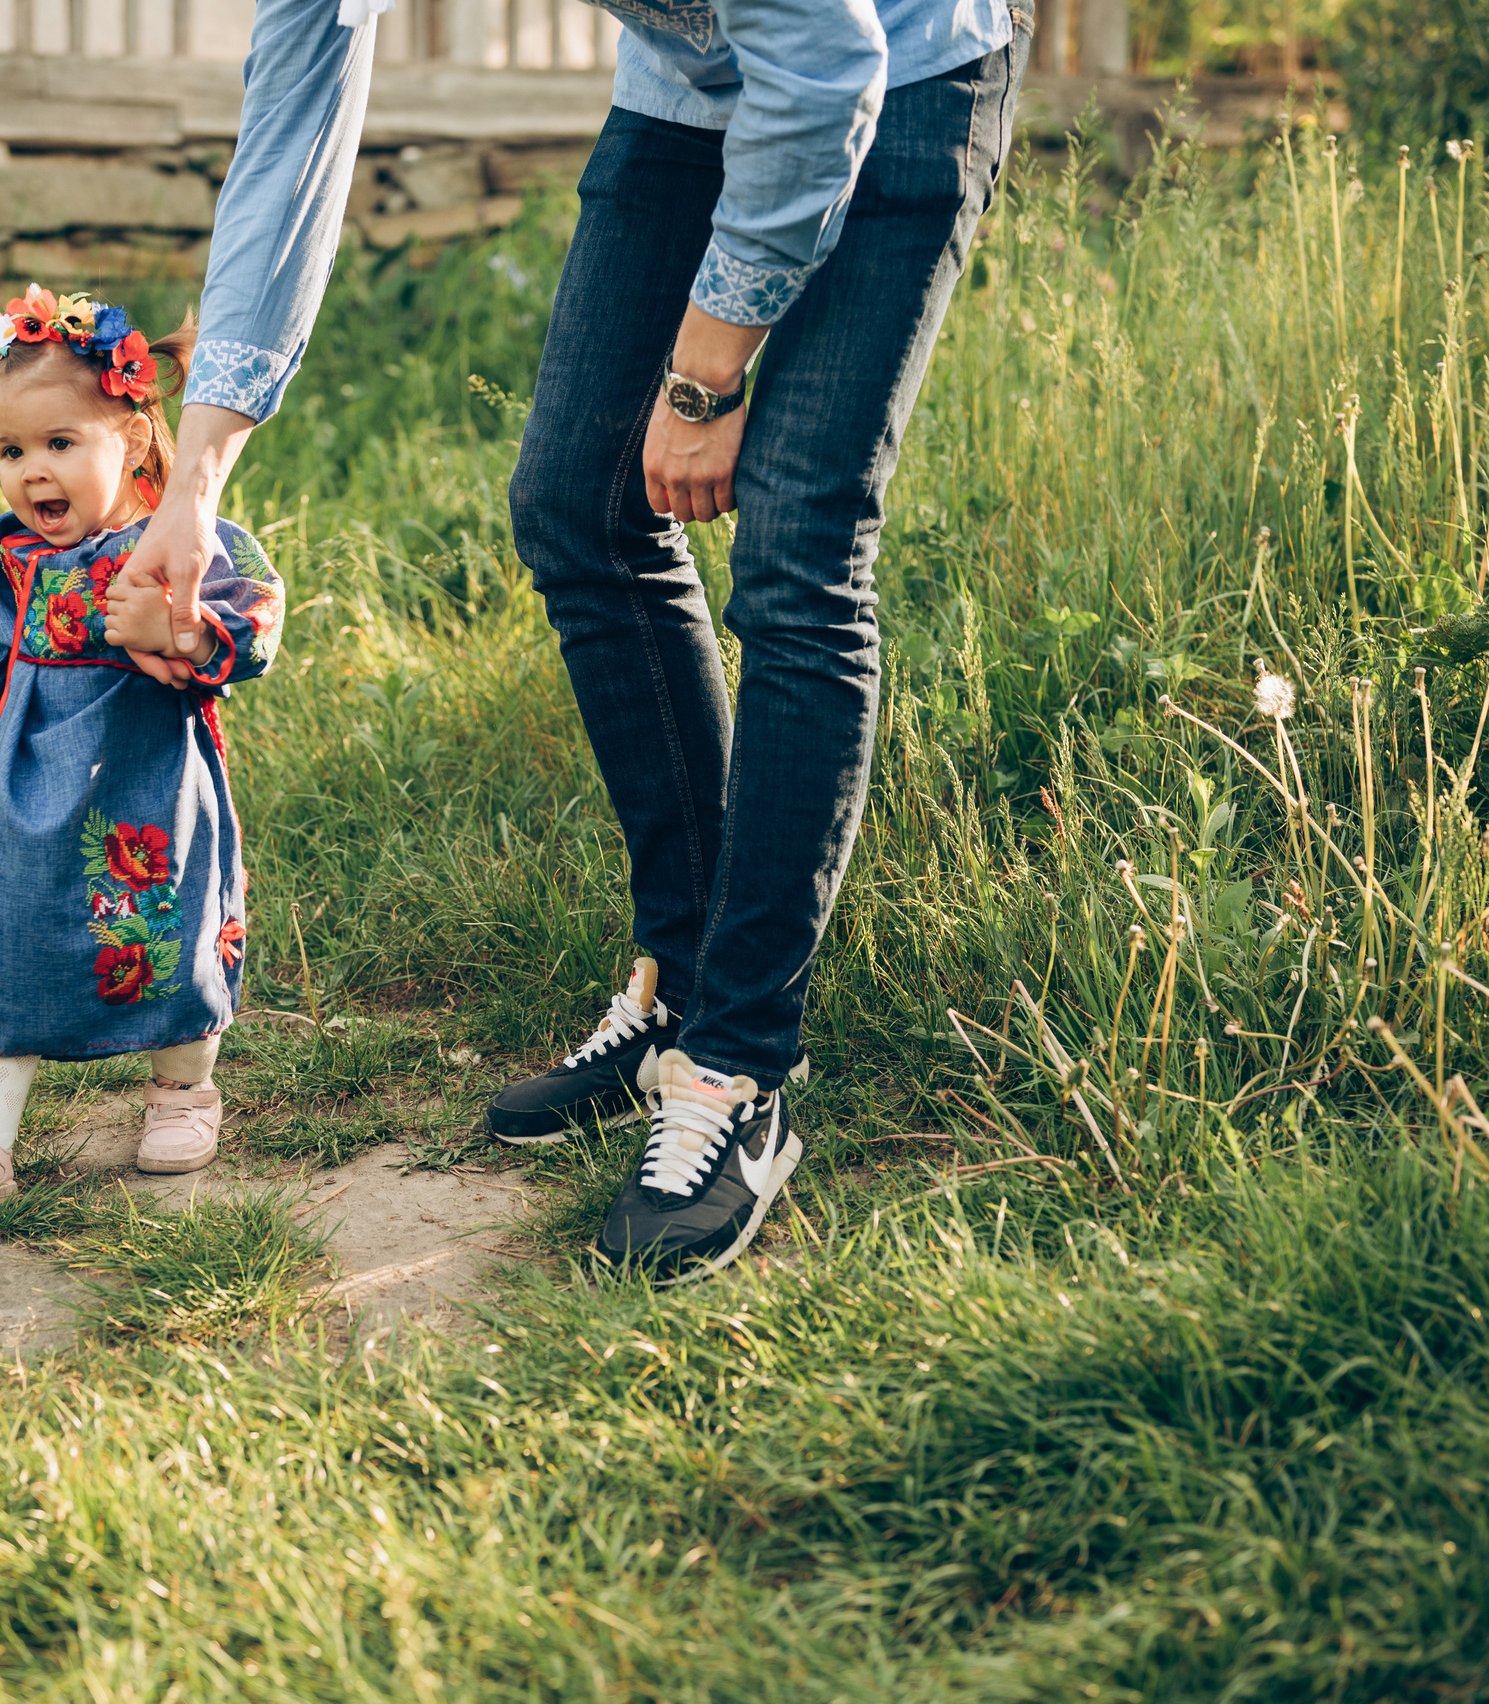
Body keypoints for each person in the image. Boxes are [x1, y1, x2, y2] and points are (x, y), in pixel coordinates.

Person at [127, 0, 1030, 1277]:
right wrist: (194, 487)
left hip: (908, 59)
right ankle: (685, 980)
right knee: (575, 507)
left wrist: (706, 377)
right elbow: (290, 147)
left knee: (797, 546)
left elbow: (829, 66)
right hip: (689, 87)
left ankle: (740, 1066)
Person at [0, 286, 283, 1208]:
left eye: (60, 444)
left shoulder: (182, 539)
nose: (32, 472)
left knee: (160, 931)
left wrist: (188, 630)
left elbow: (255, 622)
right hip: (22, 782)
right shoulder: (9, 554)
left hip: (145, 785)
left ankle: (182, 1087)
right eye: (12, 451)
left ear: (129, 439)